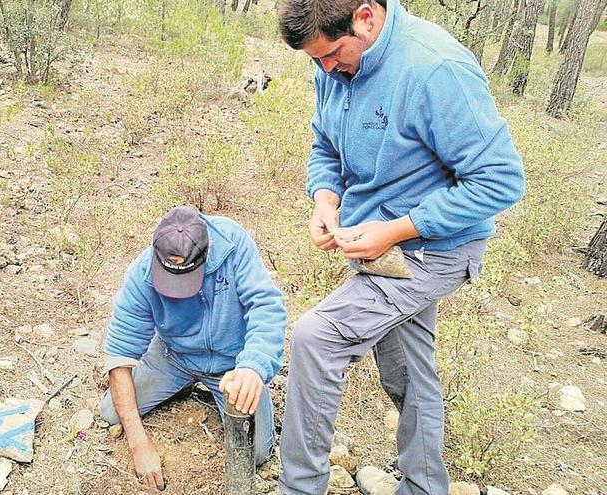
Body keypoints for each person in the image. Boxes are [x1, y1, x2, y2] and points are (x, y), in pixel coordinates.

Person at [275, 0, 526, 494]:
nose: (326, 69)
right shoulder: (332, 61)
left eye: (332, 54)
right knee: (409, 372)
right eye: (315, 61)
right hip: (382, 246)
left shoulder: (436, 69)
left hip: (434, 251)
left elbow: (500, 180)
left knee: (316, 338)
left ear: (365, 17)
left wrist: (396, 229)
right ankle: (425, 485)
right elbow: (325, 141)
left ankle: (298, 488)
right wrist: (325, 198)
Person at [99, 205, 287, 490]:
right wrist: (139, 445)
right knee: (112, 411)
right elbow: (119, 358)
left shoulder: (233, 244)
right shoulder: (141, 274)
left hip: (232, 365)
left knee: (256, 453)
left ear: (206, 254)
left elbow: (265, 306)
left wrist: (253, 366)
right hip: (174, 357)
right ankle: (181, 383)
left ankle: (235, 383)